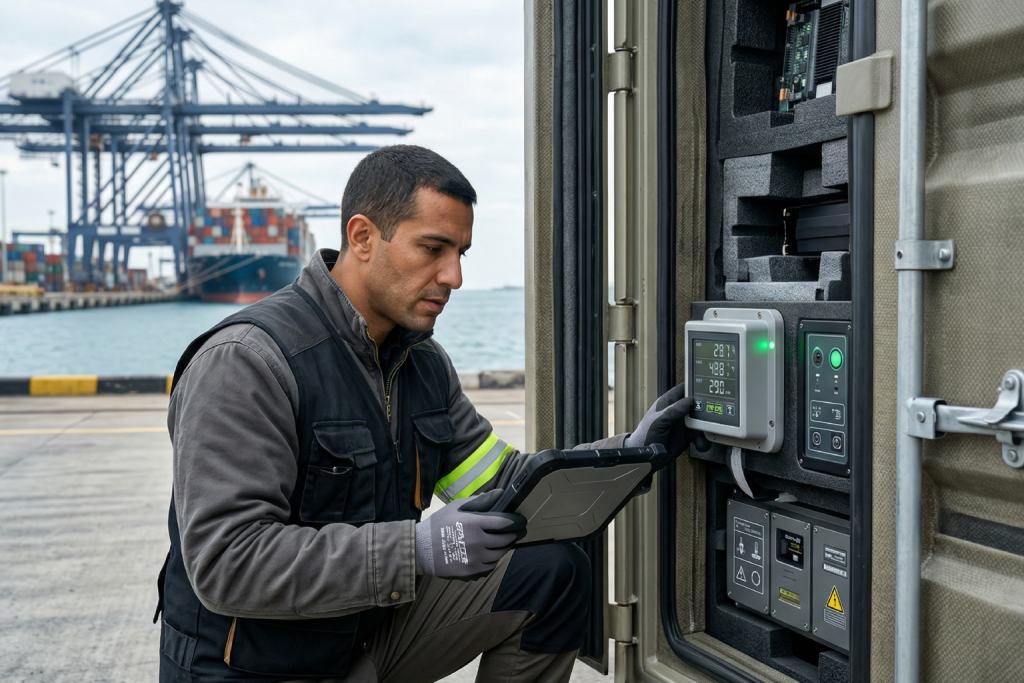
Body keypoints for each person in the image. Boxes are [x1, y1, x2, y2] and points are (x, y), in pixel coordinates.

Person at [155, 145, 694, 683]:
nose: (454, 276)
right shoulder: (248, 361)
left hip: (362, 640)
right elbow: (228, 563)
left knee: (553, 572)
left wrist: (629, 454)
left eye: (460, 252)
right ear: (362, 237)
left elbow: (504, 483)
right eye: (433, 248)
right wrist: (415, 550)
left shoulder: (420, 363)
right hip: (256, 668)